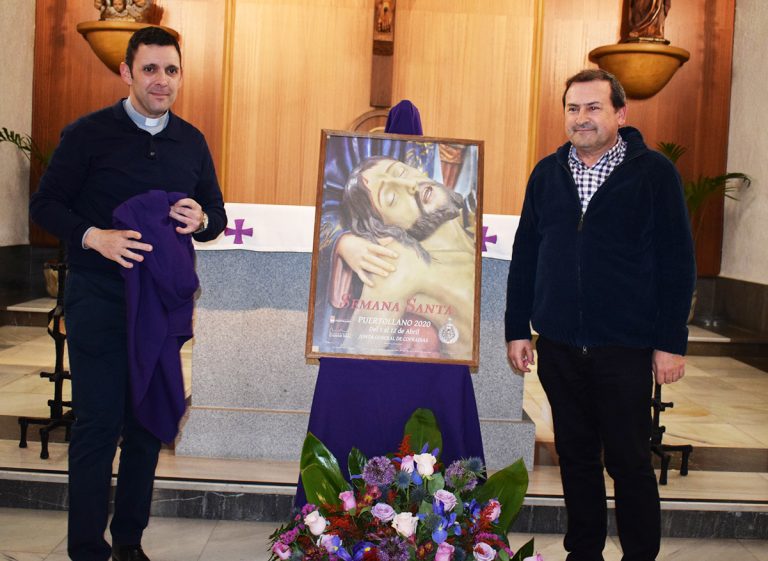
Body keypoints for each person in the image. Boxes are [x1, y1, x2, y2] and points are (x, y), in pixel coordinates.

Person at [29, 27, 226, 561]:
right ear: (127, 72)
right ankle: (87, 549)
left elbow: (217, 213)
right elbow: (45, 206)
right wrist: (96, 237)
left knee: (146, 424)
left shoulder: (191, 140)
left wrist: (201, 217)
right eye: (150, 69)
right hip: (100, 298)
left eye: (171, 70)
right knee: (98, 423)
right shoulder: (88, 134)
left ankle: (130, 543)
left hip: (158, 307)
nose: (162, 81)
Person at [505, 69, 695, 561]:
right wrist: (516, 328)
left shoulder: (653, 173)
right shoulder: (547, 173)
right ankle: (582, 552)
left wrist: (671, 341)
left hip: (624, 346)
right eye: (573, 108)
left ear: (619, 113)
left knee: (630, 462)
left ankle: (639, 556)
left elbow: (678, 262)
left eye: (593, 108)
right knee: (576, 458)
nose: (581, 118)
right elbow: (527, 254)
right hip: (561, 344)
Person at [340, 156, 477, 359]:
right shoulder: (401, 261)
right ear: (385, 230)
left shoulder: (472, 225)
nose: (410, 185)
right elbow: (356, 355)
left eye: (401, 172)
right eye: (391, 198)